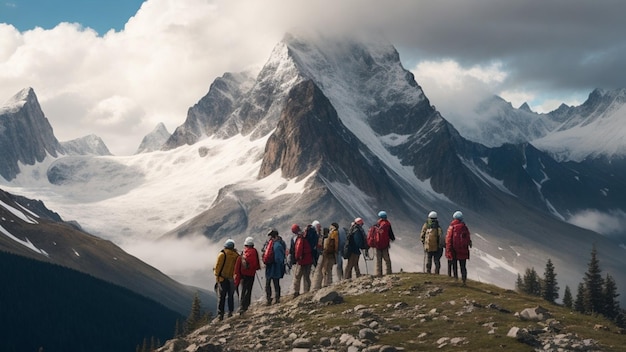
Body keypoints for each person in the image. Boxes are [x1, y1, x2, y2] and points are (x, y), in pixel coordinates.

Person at [213, 239, 240, 320]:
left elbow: (217, 266)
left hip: (222, 278)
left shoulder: (222, 254)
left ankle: (220, 315)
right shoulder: (236, 256)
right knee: (230, 296)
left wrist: (216, 274)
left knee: (222, 296)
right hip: (232, 278)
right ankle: (230, 312)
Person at [234, 236, 260, 314]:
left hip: (243, 275)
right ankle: (246, 305)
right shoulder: (255, 251)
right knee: (249, 290)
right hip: (251, 274)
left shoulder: (244, 252)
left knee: (243, 290)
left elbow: (238, 265)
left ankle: (242, 306)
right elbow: (256, 264)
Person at [445, 211, 472, 286]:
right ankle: (464, 280)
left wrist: (448, 249)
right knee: (463, 266)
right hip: (463, 250)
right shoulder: (464, 227)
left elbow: (448, 239)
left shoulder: (452, 227)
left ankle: (455, 279)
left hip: (453, 250)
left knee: (454, 265)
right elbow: (468, 239)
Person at [262, 229, 286, 306]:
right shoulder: (280, 244)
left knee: (268, 284)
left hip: (270, 267)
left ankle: (269, 299)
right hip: (276, 267)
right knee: (276, 283)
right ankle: (277, 298)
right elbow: (279, 259)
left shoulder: (271, 244)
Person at [291, 224, 313, 297]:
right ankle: (307, 291)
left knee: (297, 276)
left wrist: (296, 258)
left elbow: (298, 249)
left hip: (301, 260)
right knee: (306, 276)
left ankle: (296, 292)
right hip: (308, 259)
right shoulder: (305, 235)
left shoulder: (299, 238)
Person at [374, 210, 395, 277]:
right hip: (385, 245)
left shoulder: (377, 224)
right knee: (387, 259)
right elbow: (390, 234)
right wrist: (392, 239)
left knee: (378, 260)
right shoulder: (387, 224)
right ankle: (388, 272)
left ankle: (378, 273)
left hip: (377, 245)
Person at [320, 222, 339, 287]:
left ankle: (327, 283)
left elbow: (328, 246)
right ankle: (328, 282)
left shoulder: (332, 235)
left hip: (328, 255)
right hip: (331, 254)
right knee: (328, 269)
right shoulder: (335, 234)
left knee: (327, 269)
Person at [310, 220, 325, 290]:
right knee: (316, 269)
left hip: (318, 253)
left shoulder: (318, 234)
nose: (320, 228)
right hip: (315, 254)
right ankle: (315, 285)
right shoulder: (314, 235)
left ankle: (318, 284)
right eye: (318, 226)